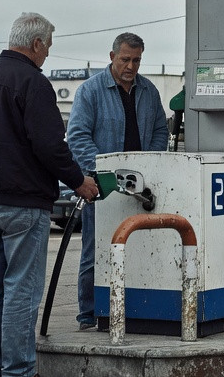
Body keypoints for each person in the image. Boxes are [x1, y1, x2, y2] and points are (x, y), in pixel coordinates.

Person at [0, 13, 99, 377]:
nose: (48, 54)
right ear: (36, 44)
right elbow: (50, 146)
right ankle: (18, 371)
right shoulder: (33, 83)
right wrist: (79, 181)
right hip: (23, 204)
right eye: (48, 46)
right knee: (21, 291)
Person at [66, 32, 170, 331]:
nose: (131, 66)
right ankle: (89, 314)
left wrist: (146, 165)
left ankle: (132, 308)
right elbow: (78, 137)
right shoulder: (90, 91)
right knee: (94, 252)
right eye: (125, 59)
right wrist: (104, 172)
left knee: (138, 247)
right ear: (112, 57)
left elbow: (161, 130)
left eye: (137, 60)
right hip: (103, 187)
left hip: (141, 189)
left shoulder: (148, 91)